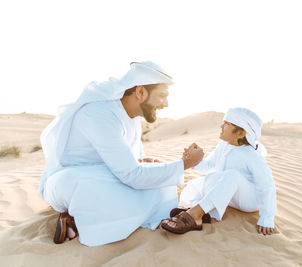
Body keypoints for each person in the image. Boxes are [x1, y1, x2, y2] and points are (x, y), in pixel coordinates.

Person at [39, 61, 204, 246]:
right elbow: (132, 176)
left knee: (160, 184)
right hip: (69, 182)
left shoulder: (133, 117)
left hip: (105, 177)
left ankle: (83, 216)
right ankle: (79, 218)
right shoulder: (98, 113)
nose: (166, 103)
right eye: (162, 96)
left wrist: (143, 162)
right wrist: (185, 164)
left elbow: (129, 164)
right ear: (140, 92)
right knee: (120, 185)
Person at [161, 108, 277, 235]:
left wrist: (267, 217)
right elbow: (210, 165)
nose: (221, 126)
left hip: (249, 199)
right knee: (196, 184)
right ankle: (194, 209)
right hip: (229, 193)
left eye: (227, 124)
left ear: (241, 133)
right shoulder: (223, 145)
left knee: (233, 175)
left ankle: (195, 215)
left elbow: (267, 186)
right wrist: (191, 160)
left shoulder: (252, 156)